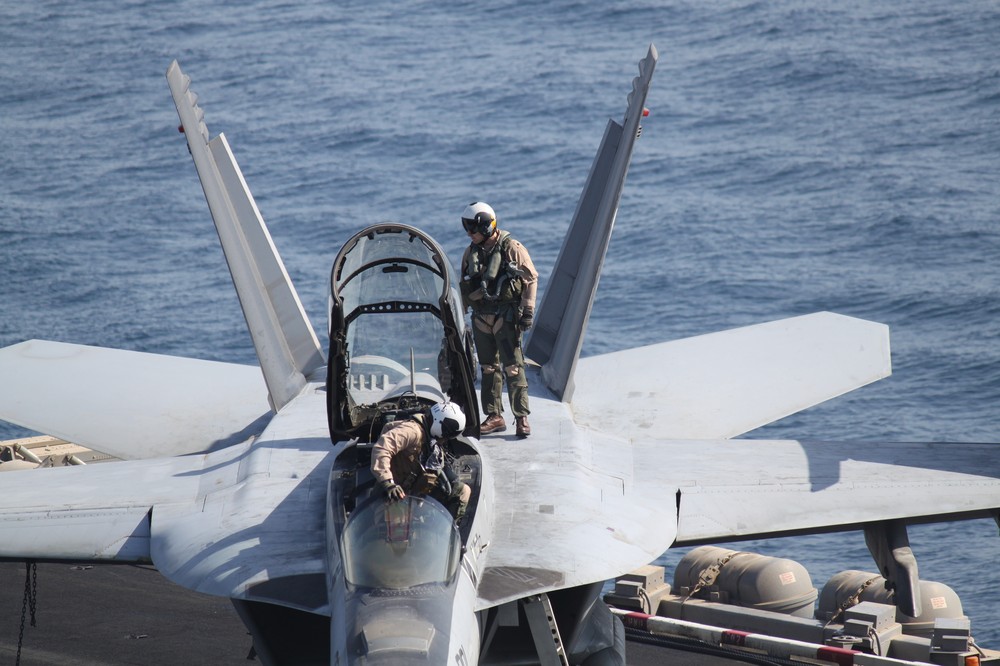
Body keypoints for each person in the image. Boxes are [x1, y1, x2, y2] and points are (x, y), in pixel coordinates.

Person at [459, 202, 538, 438]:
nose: (469, 234)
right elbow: (463, 283)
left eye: (472, 229)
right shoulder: (471, 252)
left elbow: (530, 278)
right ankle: (494, 416)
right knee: (488, 368)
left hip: (506, 315)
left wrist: (527, 310)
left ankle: (521, 417)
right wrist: (459, 316)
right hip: (481, 317)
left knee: (513, 367)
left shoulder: (511, 248)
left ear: (485, 226)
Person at [371, 400, 471, 523]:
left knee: (463, 491)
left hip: (417, 492)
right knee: (398, 523)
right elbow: (382, 447)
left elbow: (435, 465)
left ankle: (449, 532)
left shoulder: (430, 438)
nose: (444, 440)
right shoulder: (412, 431)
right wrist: (388, 483)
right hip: (394, 493)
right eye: (446, 435)